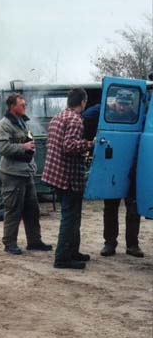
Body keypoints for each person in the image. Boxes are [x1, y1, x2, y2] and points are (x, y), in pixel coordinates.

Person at [42, 88, 94, 269]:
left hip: (56, 174)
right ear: (82, 102)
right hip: (69, 177)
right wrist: (90, 144)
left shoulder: (58, 117)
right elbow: (69, 146)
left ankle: (73, 251)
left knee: (73, 216)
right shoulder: (76, 120)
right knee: (70, 217)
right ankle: (62, 258)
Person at [0, 93, 51, 255]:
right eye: (22, 105)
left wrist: (28, 148)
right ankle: (9, 243)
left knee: (32, 210)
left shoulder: (21, 122)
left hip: (26, 172)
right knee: (13, 209)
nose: (25, 107)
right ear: (13, 107)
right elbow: (2, 148)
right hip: (12, 173)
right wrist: (24, 148)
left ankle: (34, 241)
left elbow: (27, 141)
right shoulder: (4, 124)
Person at [95, 90, 143, 258]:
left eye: (125, 104)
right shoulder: (106, 112)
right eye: (120, 103)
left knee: (133, 208)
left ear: (131, 104)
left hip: (132, 168)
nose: (122, 107)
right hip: (113, 168)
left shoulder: (138, 117)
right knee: (110, 207)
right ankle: (109, 243)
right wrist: (104, 106)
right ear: (115, 102)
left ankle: (132, 245)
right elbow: (87, 114)